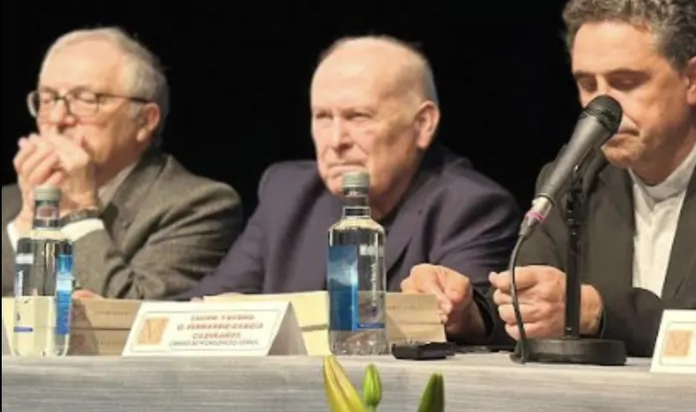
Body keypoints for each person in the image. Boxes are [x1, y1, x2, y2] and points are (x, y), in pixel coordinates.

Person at [403, 0, 696, 357]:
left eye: (626, 82)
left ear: (693, 78)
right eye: (587, 84)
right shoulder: (572, 175)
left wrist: (597, 312)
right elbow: (535, 308)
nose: (601, 107)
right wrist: (470, 314)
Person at [187, 36, 520, 299]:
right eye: (323, 117)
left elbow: (465, 324)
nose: (336, 141)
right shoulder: (287, 193)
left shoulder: (471, 207)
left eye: (359, 117)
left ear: (423, 124)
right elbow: (208, 308)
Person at [2, 28, 241, 299]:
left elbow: (137, 316)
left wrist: (77, 215)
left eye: (85, 100)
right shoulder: (8, 204)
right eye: (47, 99)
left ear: (145, 121)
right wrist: (26, 223)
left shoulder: (196, 206)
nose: (57, 118)